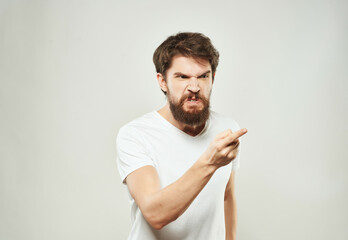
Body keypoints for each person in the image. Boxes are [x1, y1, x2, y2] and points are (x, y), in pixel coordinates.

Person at [116, 32, 248, 240]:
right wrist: (209, 162)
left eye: (203, 76)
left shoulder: (226, 128)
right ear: (163, 82)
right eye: (182, 77)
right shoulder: (135, 135)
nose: (194, 87)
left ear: (213, 78)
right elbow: (155, 214)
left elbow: (226, 196)